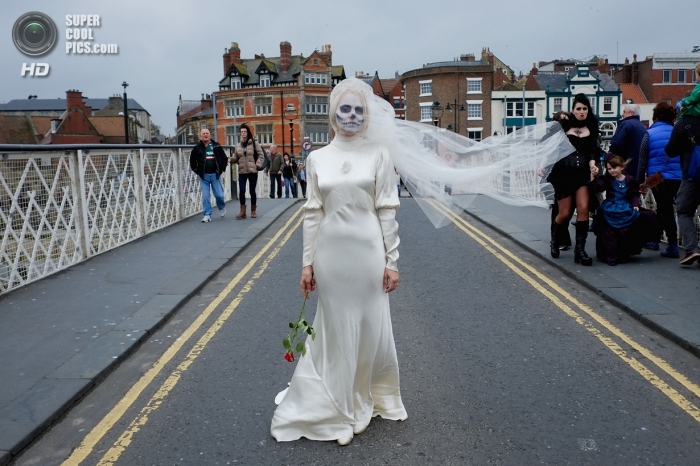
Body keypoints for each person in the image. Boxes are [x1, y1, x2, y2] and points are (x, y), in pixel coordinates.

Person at [271, 79, 407, 445]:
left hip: (368, 256)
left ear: (366, 115)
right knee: (335, 326)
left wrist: (391, 261)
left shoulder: (379, 153)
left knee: (367, 327)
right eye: (345, 109)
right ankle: (338, 403)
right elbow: (313, 213)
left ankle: (362, 396)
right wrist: (307, 264)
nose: (351, 116)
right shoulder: (316, 158)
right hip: (331, 257)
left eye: (358, 110)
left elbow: (387, 211)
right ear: (333, 114)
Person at [545, 94, 600, 265]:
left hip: (582, 174)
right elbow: (549, 145)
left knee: (583, 209)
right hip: (564, 175)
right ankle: (555, 239)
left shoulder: (591, 127)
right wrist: (543, 163)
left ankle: (580, 250)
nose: (582, 112)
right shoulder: (564, 126)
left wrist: (593, 165)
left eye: (585, 108)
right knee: (565, 213)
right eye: (579, 109)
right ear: (573, 110)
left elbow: (592, 152)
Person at [589, 154, 660, 265]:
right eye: (609, 169)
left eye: (614, 167)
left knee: (627, 230)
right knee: (610, 233)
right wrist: (593, 176)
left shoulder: (630, 180)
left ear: (622, 167)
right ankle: (610, 256)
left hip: (625, 207)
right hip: (610, 207)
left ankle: (622, 254)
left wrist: (635, 204)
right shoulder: (608, 179)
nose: (611, 171)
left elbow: (634, 194)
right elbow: (595, 188)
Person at [637, 102, 681, 257]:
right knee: (674, 209)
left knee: (664, 209)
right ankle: (662, 241)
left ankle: (670, 244)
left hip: (658, 179)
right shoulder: (678, 132)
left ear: (655, 116)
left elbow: (642, 160)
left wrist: (639, 182)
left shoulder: (649, 134)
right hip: (679, 177)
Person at [664, 102, 700, 266]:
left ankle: (692, 248)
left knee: (684, 211)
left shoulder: (683, 124)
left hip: (691, 175)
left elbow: (671, 150)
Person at [189, 128, 228, 223]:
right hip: (204, 175)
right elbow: (192, 161)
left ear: (210, 135)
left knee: (219, 195)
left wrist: (221, 170)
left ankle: (221, 207)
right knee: (205, 196)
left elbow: (224, 159)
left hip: (215, 174)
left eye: (207, 133)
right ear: (201, 136)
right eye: (203, 134)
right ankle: (207, 215)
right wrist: (197, 171)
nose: (205, 135)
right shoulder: (197, 148)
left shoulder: (216, 146)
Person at [229, 124, 264, 219]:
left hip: (253, 171)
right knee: (242, 190)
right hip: (242, 171)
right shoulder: (238, 146)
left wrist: (257, 165)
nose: (243, 133)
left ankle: (253, 211)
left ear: (248, 132)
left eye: (245, 131)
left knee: (252, 191)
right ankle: (243, 211)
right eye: (242, 132)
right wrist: (230, 159)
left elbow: (261, 156)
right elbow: (236, 158)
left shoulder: (254, 143)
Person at [610, 104, 648, 180]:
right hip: (639, 170)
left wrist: (610, 158)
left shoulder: (626, 124)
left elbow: (616, 145)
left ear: (631, 113)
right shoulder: (642, 127)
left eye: (624, 111)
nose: (622, 114)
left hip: (626, 167)